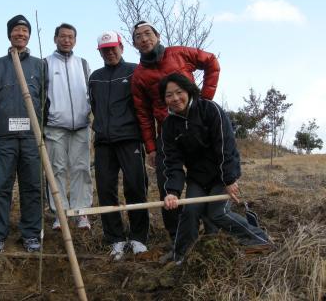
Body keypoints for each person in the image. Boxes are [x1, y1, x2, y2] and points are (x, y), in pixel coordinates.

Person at [160, 73, 270, 263]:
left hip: (221, 175)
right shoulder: (169, 125)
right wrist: (172, 191)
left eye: (179, 92)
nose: (175, 98)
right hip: (197, 178)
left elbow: (225, 147)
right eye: (169, 95)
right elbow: (173, 162)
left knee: (217, 213)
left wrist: (229, 179)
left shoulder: (209, 109)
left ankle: (259, 239)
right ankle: (182, 256)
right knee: (190, 211)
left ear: (189, 91)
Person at [131, 20, 220, 241]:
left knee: (205, 176)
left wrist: (205, 100)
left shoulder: (179, 53)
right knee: (167, 185)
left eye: (148, 33)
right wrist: (151, 148)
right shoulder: (139, 76)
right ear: (134, 44)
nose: (144, 39)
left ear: (157, 36)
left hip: (197, 127)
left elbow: (211, 61)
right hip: (167, 134)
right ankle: (178, 237)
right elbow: (142, 114)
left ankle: (211, 232)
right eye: (138, 37)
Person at [0, 15, 47, 253]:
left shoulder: (39, 65)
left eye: (24, 30)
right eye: (16, 30)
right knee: (1, 185)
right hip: (5, 136)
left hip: (32, 137)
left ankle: (31, 233)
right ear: (9, 34)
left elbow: (45, 98)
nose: (20, 34)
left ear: (29, 35)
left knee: (32, 185)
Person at [89, 31, 149, 260]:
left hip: (130, 138)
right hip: (103, 141)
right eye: (105, 50)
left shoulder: (135, 71)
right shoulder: (95, 77)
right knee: (105, 190)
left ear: (122, 47)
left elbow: (143, 105)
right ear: (100, 52)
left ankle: (138, 237)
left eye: (113, 48)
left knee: (135, 186)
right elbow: (94, 106)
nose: (110, 52)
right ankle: (115, 238)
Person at [44, 23, 93, 230]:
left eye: (70, 37)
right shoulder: (45, 63)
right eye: (62, 36)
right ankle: (60, 214)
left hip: (81, 126)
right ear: (55, 38)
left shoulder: (82, 64)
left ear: (75, 40)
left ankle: (81, 212)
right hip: (54, 127)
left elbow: (90, 92)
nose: (66, 40)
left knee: (82, 169)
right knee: (57, 170)